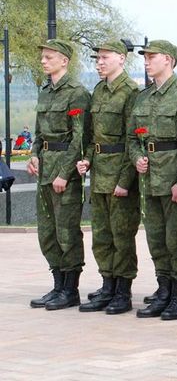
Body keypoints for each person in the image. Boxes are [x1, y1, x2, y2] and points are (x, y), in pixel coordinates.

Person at [127, 40, 177, 321]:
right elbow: (132, 138)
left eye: (151, 56)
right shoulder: (142, 98)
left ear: (168, 60)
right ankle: (164, 290)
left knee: (176, 239)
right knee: (156, 239)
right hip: (149, 179)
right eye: (145, 56)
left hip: (172, 179)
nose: (146, 60)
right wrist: (136, 157)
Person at [76, 40, 140, 315]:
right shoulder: (99, 90)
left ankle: (123, 291)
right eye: (97, 58)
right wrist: (88, 158)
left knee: (122, 234)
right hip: (100, 172)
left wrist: (125, 180)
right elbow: (93, 137)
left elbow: (132, 140)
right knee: (102, 235)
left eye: (105, 57)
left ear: (121, 59)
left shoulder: (131, 92)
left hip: (119, 173)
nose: (99, 62)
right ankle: (107, 284)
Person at [28, 39, 91, 311]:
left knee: (67, 231)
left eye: (49, 57)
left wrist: (65, 173)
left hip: (64, 169)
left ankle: (70, 289)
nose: (43, 61)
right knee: (48, 231)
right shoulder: (46, 91)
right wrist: (33, 153)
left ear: (64, 60)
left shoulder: (76, 93)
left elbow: (80, 138)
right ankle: (57, 284)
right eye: (43, 57)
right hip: (45, 166)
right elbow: (39, 129)